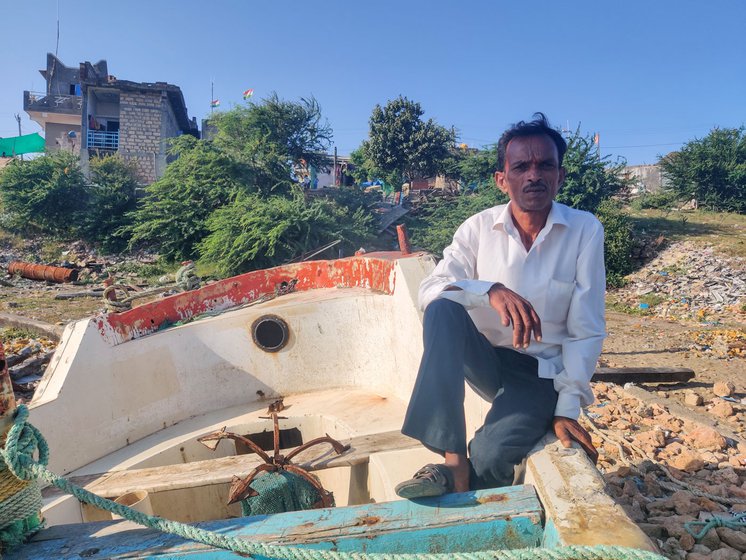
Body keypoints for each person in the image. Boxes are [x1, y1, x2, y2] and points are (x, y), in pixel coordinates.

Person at [395, 113, 606, 498]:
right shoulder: (477, 228)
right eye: (521, 166)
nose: (533, 175)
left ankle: (457, 477)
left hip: (539, 371)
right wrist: (488, 290)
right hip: (485, 360)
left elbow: (586, 328)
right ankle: (454, 462)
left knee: (493, 458)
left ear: (560, 176)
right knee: (443, 308)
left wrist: (567, 408)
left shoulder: (584, 230)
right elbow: (430, 289)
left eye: (545, 165)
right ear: (501, 178)